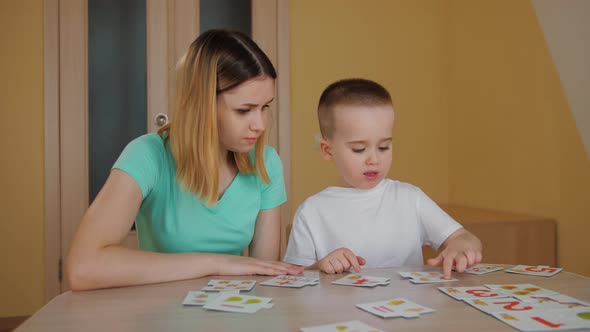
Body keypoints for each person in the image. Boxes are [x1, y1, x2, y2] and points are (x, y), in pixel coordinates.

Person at [66, 29, 303, 291]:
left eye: (265, 107)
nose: (259, 125)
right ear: (201, 104)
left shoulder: (266, 163)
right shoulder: (147, 155)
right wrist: (216, 264)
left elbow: (264, 272)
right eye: (244, 110)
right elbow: (83, 268)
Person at [283, 78, 482, 278]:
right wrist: (319, 267)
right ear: (328, 150)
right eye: (359, 149)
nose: (374, 160)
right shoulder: (311, 212)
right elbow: (291, 278)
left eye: (384, 147)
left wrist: (461, 246)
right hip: (341, 310)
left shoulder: (410, 198)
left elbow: (464, 237)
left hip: (407, 309)